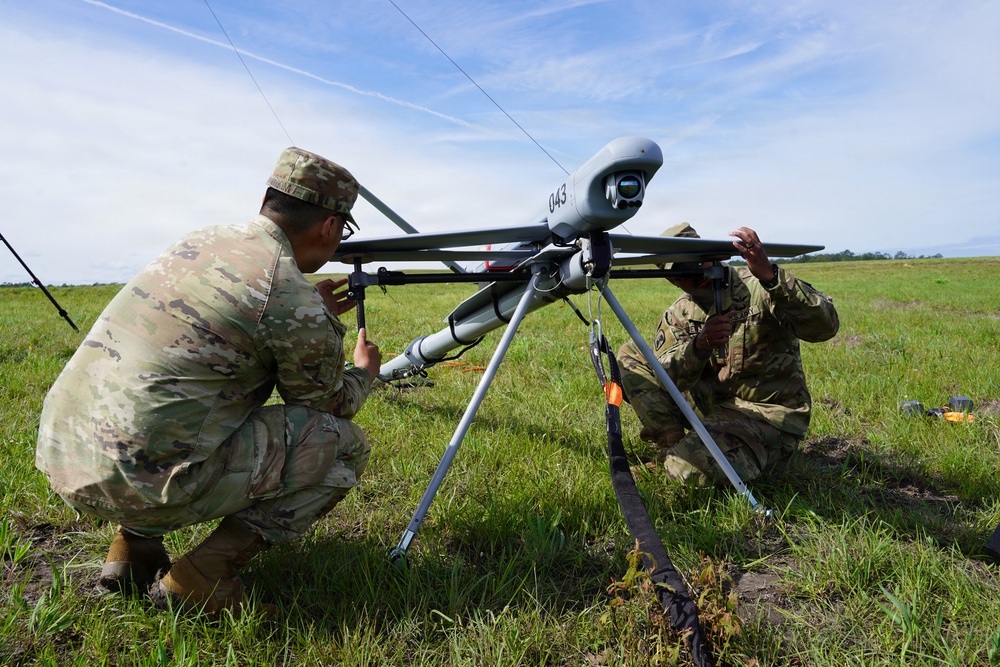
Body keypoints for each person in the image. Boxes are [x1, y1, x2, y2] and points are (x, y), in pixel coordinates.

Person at [35, 147, 382, 615]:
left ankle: (132, 553)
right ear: (330, 227)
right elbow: (326, 405)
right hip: (144, 481)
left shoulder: (200, 241)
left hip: (65, 457)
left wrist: (308, 312)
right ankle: (202, 576)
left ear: (268, 199)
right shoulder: (288, 292)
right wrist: (363, 371)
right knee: (342, 445)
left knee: (173, 410)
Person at [616, 223, 839, 486]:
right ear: (672, 280)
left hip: (766, 414)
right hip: (712, 407)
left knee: (685, 473)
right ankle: (672, 446)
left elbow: (824, 327)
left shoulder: (760, 287)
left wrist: (770, 276)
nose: (698, 270)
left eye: (700, 259)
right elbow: (668, 379)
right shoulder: (679, 314)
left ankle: (759, 455)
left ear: (715, 256)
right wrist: (698, 347)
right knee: (632, 355)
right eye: (682, 268)